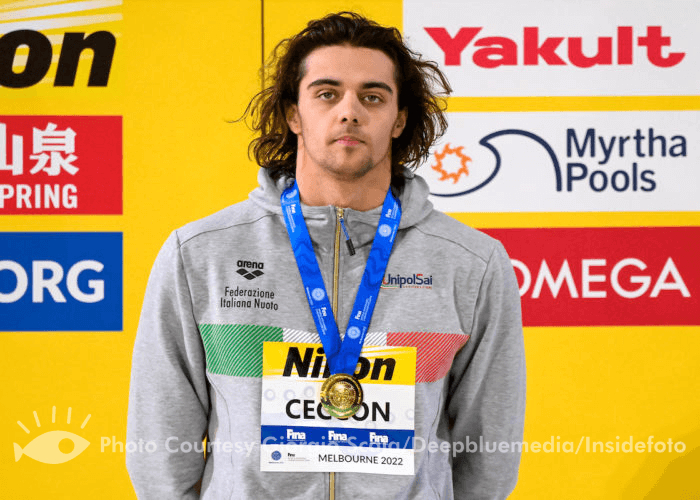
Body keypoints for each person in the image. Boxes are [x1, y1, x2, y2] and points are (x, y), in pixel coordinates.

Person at [126, 11, 525, 500]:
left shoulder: (471, 264)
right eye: (327, 93)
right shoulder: (200, 254)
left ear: (399, 119)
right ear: (294, 113)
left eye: (373, 97)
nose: (350, 112)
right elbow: (160, 452)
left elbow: (489, 457)